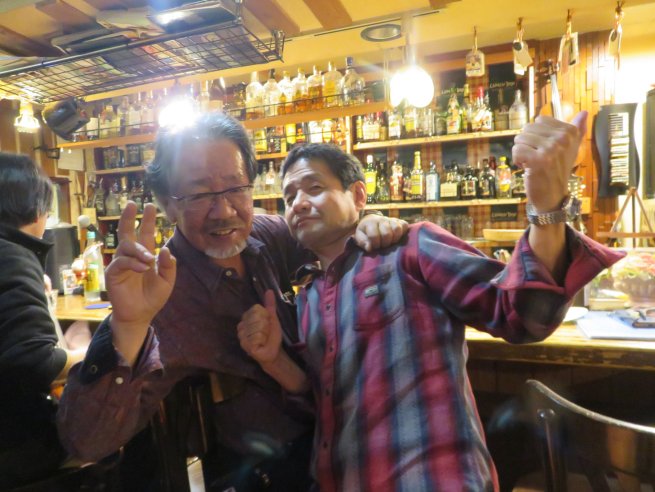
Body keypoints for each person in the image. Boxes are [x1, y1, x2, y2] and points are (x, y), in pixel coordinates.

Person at [236, 114, 626, 491]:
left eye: (314, 188)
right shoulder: (308, 295)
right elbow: (323, 408)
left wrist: (547, 207)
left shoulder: (411, 247)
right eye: (289, 196)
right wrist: (274, 360)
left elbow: (520, 315)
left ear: (357, 196)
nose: (298, 203)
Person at [58, 112, 407, 490]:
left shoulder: (269, 236)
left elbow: (335, 241)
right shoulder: (161, 296)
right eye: (199, 195)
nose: (223, 211)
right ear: (167, 205)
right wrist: (127, 326)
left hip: (347, 442)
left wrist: (366, 223)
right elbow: (86, 442)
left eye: (235, 188)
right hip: (269, 474)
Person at [0, 152, 86, 488]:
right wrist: (93, 352)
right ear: (37, 211)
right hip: (15, 448)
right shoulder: (12, 256)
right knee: (128, 427)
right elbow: (34, 362)